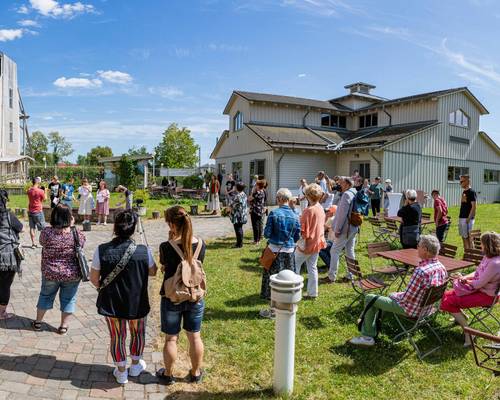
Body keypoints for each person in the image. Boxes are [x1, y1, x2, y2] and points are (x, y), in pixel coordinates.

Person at [90, 209, 157, 384]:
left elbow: (94, 279)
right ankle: (135, 366)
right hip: (137, 302)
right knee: (138, 333)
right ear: (133, 228)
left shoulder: (101, 249)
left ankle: (121, 372)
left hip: (112, 302)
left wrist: (103, 287)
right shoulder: (143, 250)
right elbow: (153, 271)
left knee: (117, 336)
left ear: (115, 227)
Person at [349, 235, 448, 346]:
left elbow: (406, 299)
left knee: (369, 298)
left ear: (425, 250)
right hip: (428, 309)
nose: (417, 247)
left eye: (419, 246)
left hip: (412, 311)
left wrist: (394, 295)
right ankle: (371, 322)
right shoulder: (442, 268)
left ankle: (367, 337)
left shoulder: (421, 271)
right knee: (385, 298)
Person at [157, 206, 206, 385]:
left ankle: (168, 374)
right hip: (194, 296)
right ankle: (195, 372)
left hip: (172, 297)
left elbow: (164, 266)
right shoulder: (201, 244)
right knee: (195, 336)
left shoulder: (166, 246)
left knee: (171, 338)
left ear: (172, 224)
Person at [32, 204, 86, 334]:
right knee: (69, 299)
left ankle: (38, 322)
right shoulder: (76, 234)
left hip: (50, 272)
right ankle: (63, 326)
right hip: (71, 274)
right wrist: (71, 226)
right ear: (70, 217)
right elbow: (82, 244)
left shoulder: (46, 232)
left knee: (45, 295)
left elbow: (41, 242)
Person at [440, 232, 500, 347]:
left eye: (481, 244)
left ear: (487, 245)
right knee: (446, 295)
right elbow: (478, 271)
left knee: (447, 301)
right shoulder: (489, 256)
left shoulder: (495, 263)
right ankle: (463, 318)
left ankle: (470, 334)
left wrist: (464, 281)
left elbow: (478, 284)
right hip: (479, 290)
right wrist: (465, 277)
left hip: (487, 296)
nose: (480, 246)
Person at [260, 188, 300, 318]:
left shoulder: (274, 213)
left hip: (274, 252)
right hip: (289, 252)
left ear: (279, 199)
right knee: (287, 282)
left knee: (273, 281)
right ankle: (285, 308)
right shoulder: (295, 215)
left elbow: (266, 234)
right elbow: (297, 236)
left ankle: (273, 311)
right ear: (288, 200)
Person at [321, 177, 359, 284]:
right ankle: (350, 275)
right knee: (350, 251)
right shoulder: (354, 192)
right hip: (353, 227)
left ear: (347, 184)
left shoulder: (347, 194)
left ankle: (331, 277)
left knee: (334, 250)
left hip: (345, 228)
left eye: (341, 183)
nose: (339, 185)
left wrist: (337, 229)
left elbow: (342, 214)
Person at [295, 184, 326, 299]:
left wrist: (298, 242)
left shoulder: (308, 210)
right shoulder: (320, 207)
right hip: (317, 242)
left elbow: (302, 230)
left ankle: (295, 292)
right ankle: (313, 293)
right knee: (312, 267)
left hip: (308, 243)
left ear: (308, 196)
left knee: (295, 265)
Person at [0, 190, 24, 319]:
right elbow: (21, 228)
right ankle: (1, 313)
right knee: (5, 285)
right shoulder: (9, 216)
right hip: (7, 256)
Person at [27, 177, 47, 248]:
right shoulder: (41, 191)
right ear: (37, 182)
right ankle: (45, 243)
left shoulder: (29, 190)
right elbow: (45, 200)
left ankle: (33, 244)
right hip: (38, 211)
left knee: (32, 228)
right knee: (43, 228)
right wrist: (46, 191)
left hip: (30, 211)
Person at [458, 175, 477, 250]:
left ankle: (472, 255)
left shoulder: (472, 192)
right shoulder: (464, 192)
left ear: (467, 181)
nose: (460, 183)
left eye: (462, 181)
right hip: (462, 217)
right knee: (464, 237)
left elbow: (474, 206)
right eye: (460, 181)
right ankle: (467, 254)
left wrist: (469, 218)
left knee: (469, 238)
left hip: (467, 219)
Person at [229, 183, 248, 248]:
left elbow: (233, 205)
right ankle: (239, 243)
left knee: (238, 229)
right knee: (240, 228)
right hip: (243, 214)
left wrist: (229, 209)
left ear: (237, 188)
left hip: (238, 215)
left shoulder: (238, 196)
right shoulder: (244, 194)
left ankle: (239, 244)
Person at [248, 180, 266, 244]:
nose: (255, 186)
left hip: (255, 211)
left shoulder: (256, 193)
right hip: (260, 210)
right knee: (258, 225)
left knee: (255, 225)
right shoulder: (263, 192)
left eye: (256, 185)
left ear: (258, 186)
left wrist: (252, 192)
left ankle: (256, 241)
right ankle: (258, 239)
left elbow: (249, 199)